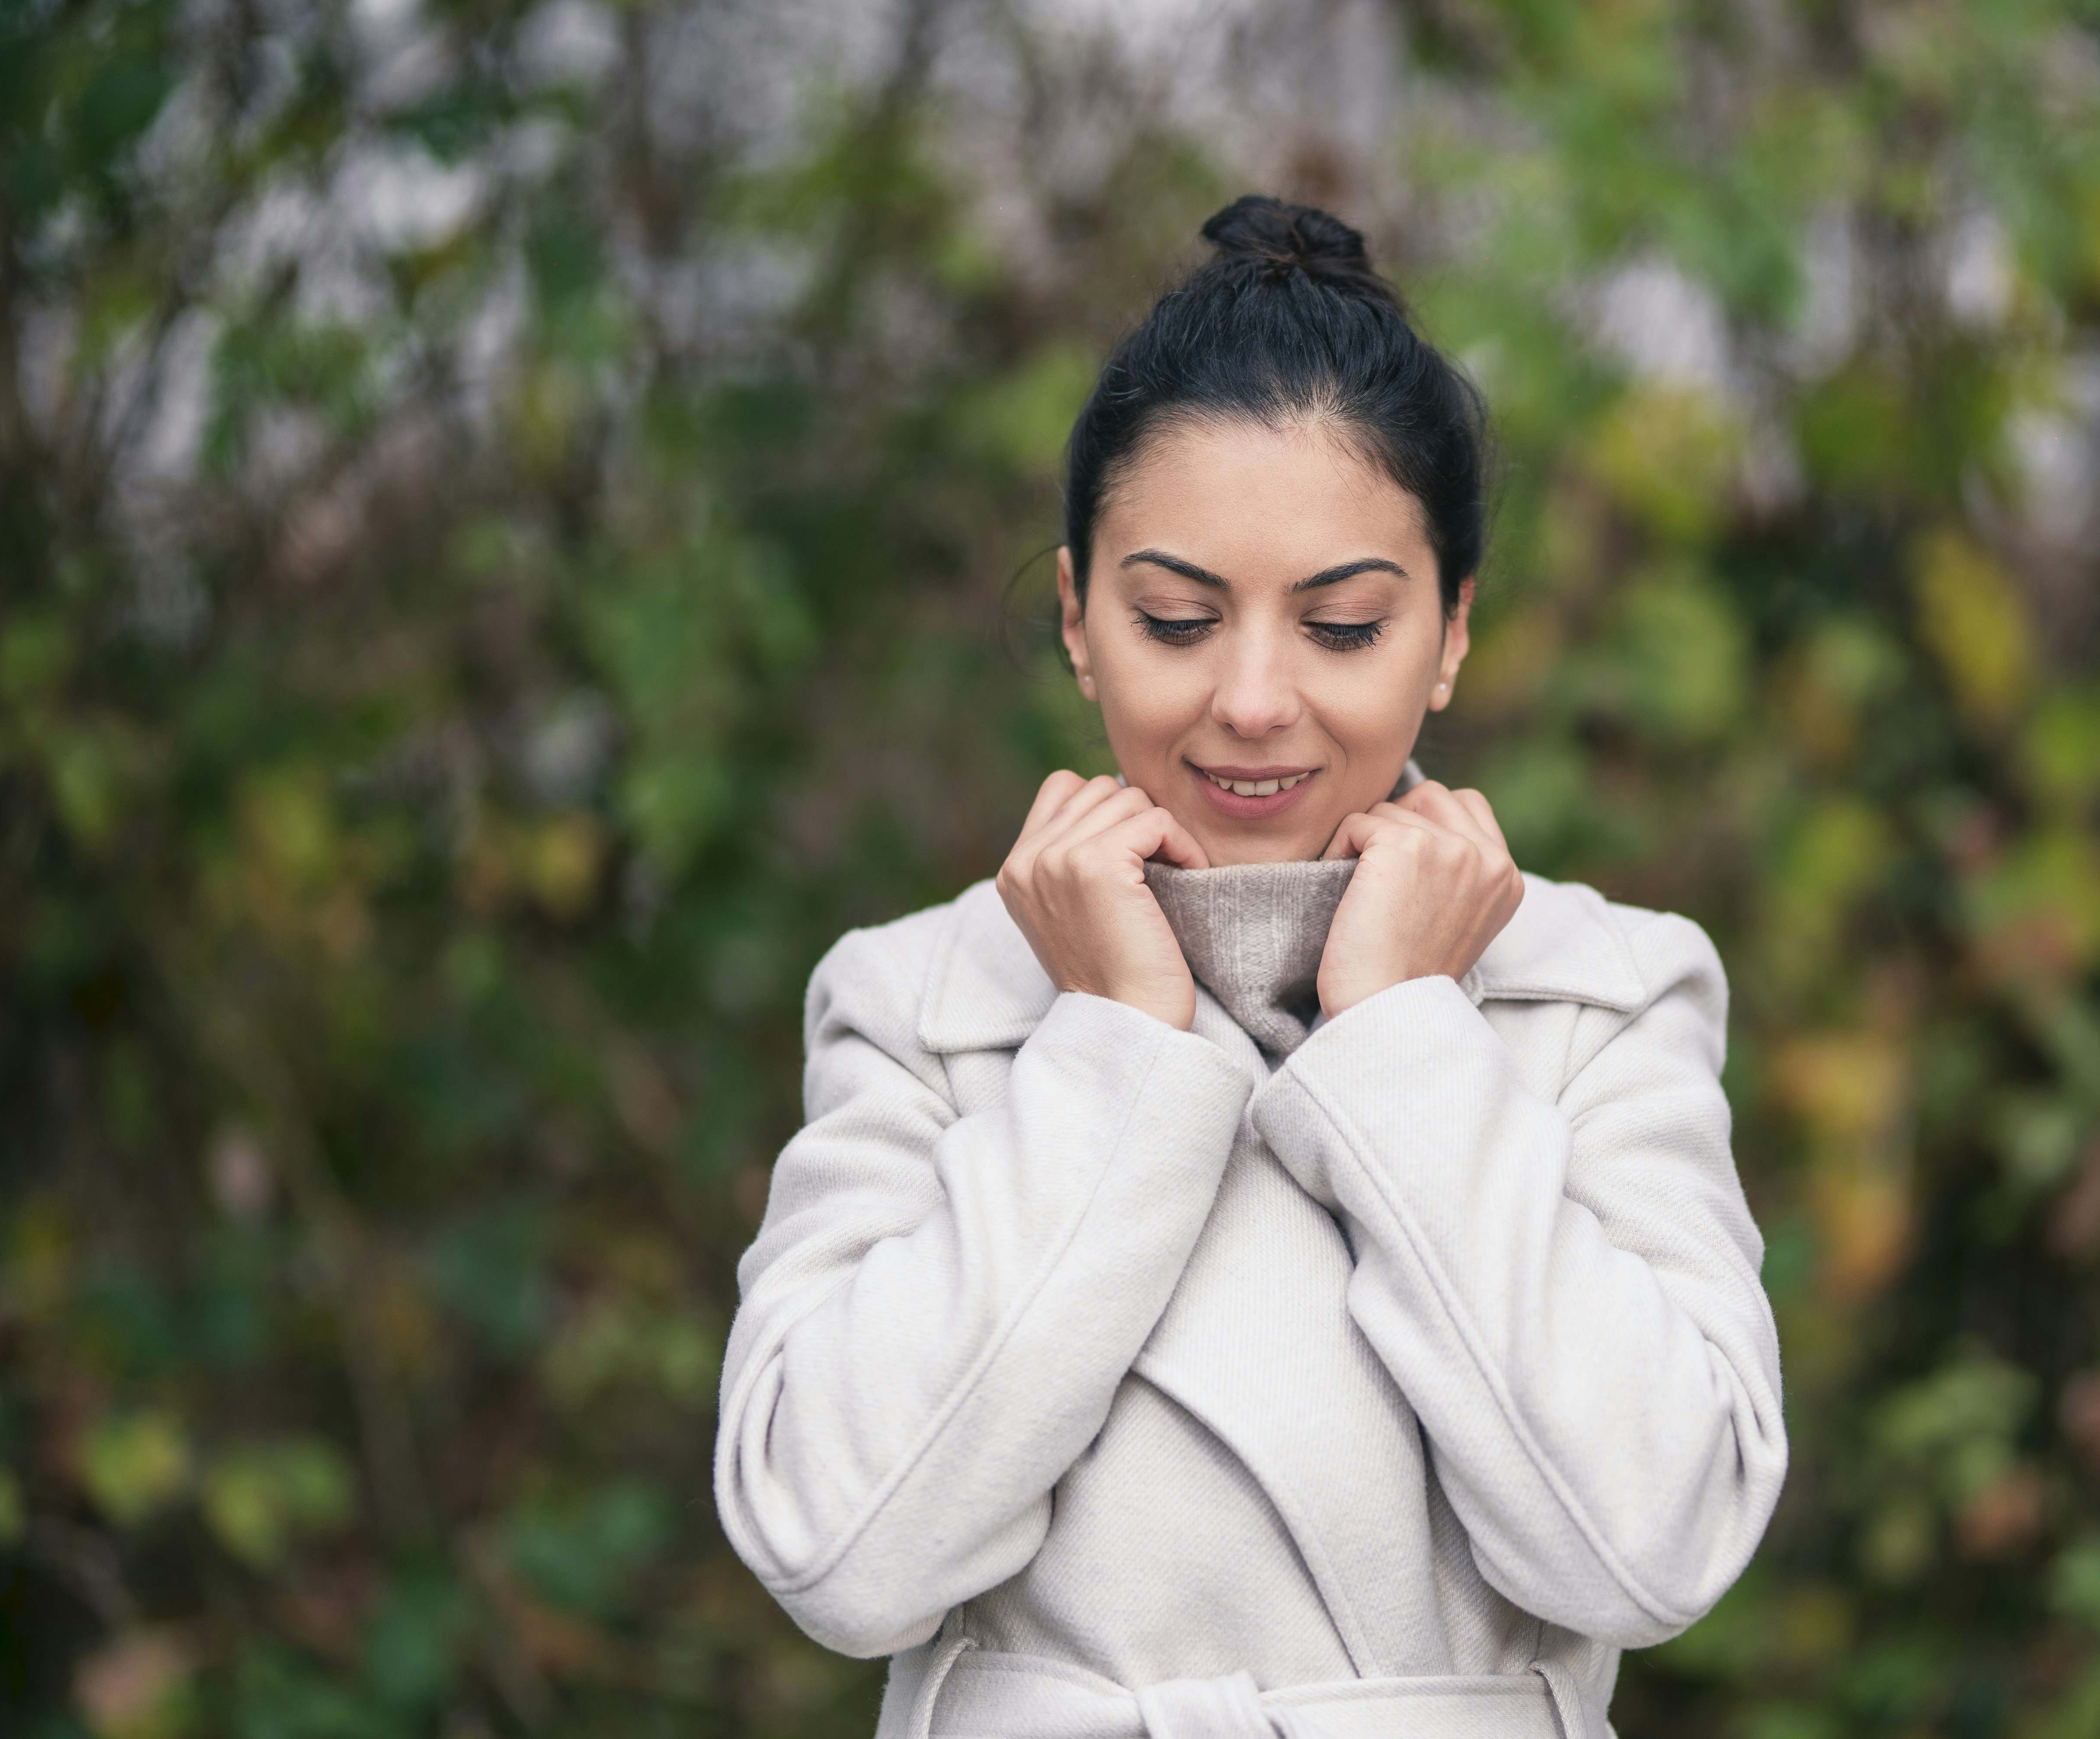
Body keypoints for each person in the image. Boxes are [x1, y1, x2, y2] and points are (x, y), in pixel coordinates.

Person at [713, 195, 1788, 1739]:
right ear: (1080, 621)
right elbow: (840, 1550)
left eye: (1344, 627)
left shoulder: (1602, 996)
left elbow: (1653, 1546)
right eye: (1175, 618)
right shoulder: (923, 1005)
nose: (1256, 700)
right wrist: (1114, 1051)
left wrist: (1409, 1034)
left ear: (1452, 634)